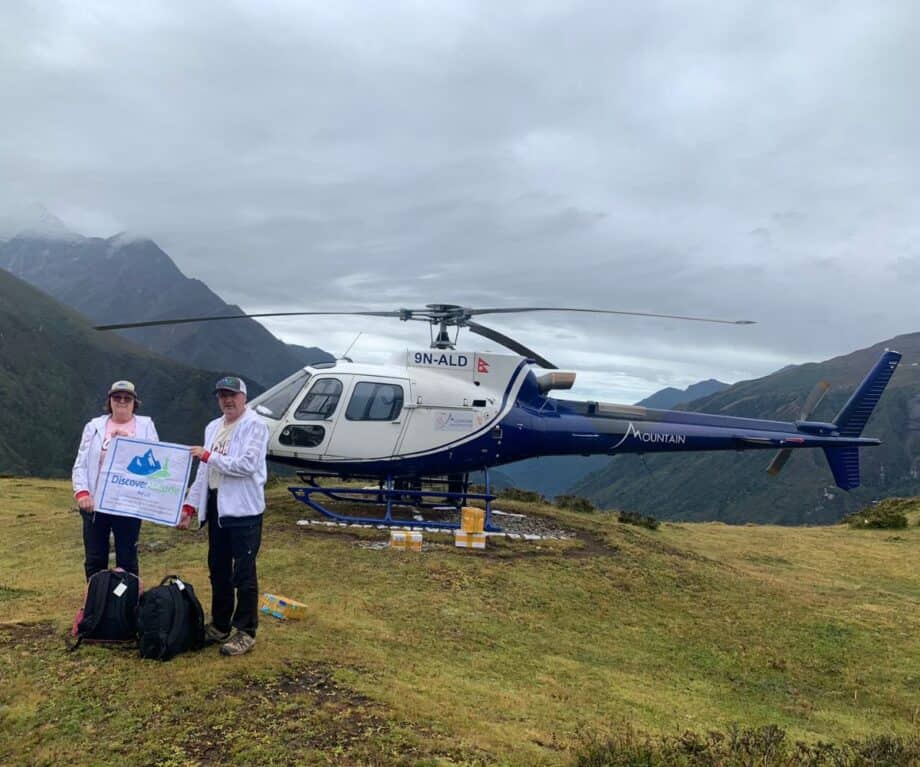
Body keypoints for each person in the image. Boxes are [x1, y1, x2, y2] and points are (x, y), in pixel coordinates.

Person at [181, 375, 269, 657]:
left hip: (243, 510)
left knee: (243, 572)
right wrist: (190, 506)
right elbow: (203, 473)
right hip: (216, 506)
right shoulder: (213, 426)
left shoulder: (255, 425)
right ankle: (220, 625)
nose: (227, 400)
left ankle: (246, 631)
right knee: (218, 568)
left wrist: (209, 456)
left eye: (232, 395)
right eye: (222, 395)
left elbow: (247, 465)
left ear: (244, 397)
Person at [72, 380, 159, 580]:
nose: (122, 401)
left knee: (127, 560)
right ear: (109, 400)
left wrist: (129, 441)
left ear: (134, 402)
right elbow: (81, 463)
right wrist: (83, 493)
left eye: (127, 398)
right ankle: (96, 598)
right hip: (96, 504)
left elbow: (154, 460)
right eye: (117, 397)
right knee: (95, 560)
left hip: (128, 504)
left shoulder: (145, 426)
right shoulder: (94, 427)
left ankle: (127, 599)